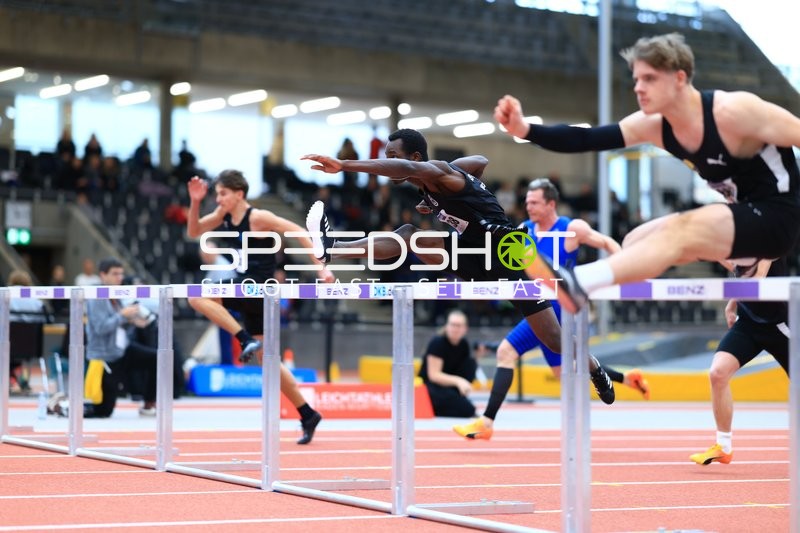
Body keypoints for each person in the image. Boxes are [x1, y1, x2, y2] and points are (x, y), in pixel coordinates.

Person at [303, 128, 616, 404]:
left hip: (507, 256)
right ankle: (333, 249)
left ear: (414, 157)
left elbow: (409, 167)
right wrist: (462, 187)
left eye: (393, 156)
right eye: (386, 156)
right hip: (471, 252)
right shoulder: (441, 180)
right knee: (409, 236)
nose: (389, 161)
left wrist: (345, 165)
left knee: (553, 339)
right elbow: (480, 160)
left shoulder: (440, 173)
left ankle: (594, 367)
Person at [494, 33, 800, 314]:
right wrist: (525, 129)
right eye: (636, 78)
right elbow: (586, 139)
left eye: (649, 78)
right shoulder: (654, 125)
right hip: (741, 216)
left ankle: (578, 283)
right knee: (634, 242)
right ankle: (742, 262)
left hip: (779, 216)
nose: (638, 87)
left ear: (679, 78)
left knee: (683, 226)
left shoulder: (733, 112)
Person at [454, 178, 651, 439]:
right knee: (566, 375)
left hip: (559, 307)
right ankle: (625, 379)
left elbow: (605, 243)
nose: (529, 207)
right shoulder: (524, 229)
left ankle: (486, 423)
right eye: (527, 202)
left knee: (506, 351)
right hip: (537, 305)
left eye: (535, 202)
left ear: (551, 204)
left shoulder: (572, 229)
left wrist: (622, 268)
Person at [186, 170, 334, 444]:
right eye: (216, 194)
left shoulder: (258, 217)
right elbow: (194, 231)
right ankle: (307, 413)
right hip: (246, 289)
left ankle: (243, 339)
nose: (218, 200)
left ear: (239, 194)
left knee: (197, 296)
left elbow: (299, 231)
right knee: (269, 362)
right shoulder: (224, 216)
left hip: (259, 291)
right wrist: (195, 201)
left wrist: (321, 270)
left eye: (223, 194)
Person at [690, 257, 790, 465]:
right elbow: (740, 271)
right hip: (748, 323)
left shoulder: (773, 234)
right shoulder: (735, 235)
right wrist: (732, 303)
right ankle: (723, 447)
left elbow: (757, 279)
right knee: (718, 373)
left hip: (781, 325)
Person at [419, 310, 483, 418]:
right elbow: (433, 375)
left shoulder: (464, 344)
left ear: (465, 329)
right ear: (447, 326)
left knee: (471, 363)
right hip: (430, 387)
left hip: (448, 387)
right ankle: (430, 407)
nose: (455, 329)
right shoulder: (437, 342)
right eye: (452, 325)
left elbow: (466, 374)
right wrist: (458, 381)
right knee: (467, 409)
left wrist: (478, 356)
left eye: (458, 326)